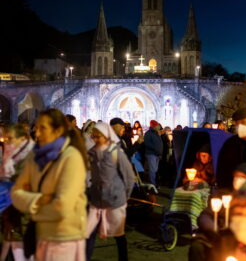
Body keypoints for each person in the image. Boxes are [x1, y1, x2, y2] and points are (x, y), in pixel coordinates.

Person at [11, 108, 88, 261]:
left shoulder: (71, 158)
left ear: (58, 130)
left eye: (43, 128)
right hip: (41, 235)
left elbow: (62, 207)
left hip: (64, 238)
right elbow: (15, 192)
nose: (36, 133)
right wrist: (40, 200)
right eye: (36, 127)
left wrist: (31, 203)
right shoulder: (35, 156)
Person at [86, 122, 135, 261]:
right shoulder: (92, 153)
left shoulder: (116, 152)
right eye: (93, 136)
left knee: (118, 234)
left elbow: (129, 177)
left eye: (98, 136)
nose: (95, 139)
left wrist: (124, 197)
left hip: (114, 199)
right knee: (89, 231)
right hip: (96, 198)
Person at [0, 124, 35, 261]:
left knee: (25, 242)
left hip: (27, 206)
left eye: (11, 138)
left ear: (22, 138)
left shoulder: (31, 156)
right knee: (15, 240)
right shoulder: (13, 154)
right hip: (13, 206)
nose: (8, 141)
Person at [144, 120, 163, 186]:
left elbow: (159, 143)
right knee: (152, 169)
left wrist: (159, 151)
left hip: (156, 153)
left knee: (155, 169)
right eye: (157, 125)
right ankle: (153, 184)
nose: (159, 126)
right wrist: (156, 148)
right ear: (154, 126)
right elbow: (147, 143)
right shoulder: (148, 133)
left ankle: (153, 183)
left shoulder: (156, 133)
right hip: (151, 153)